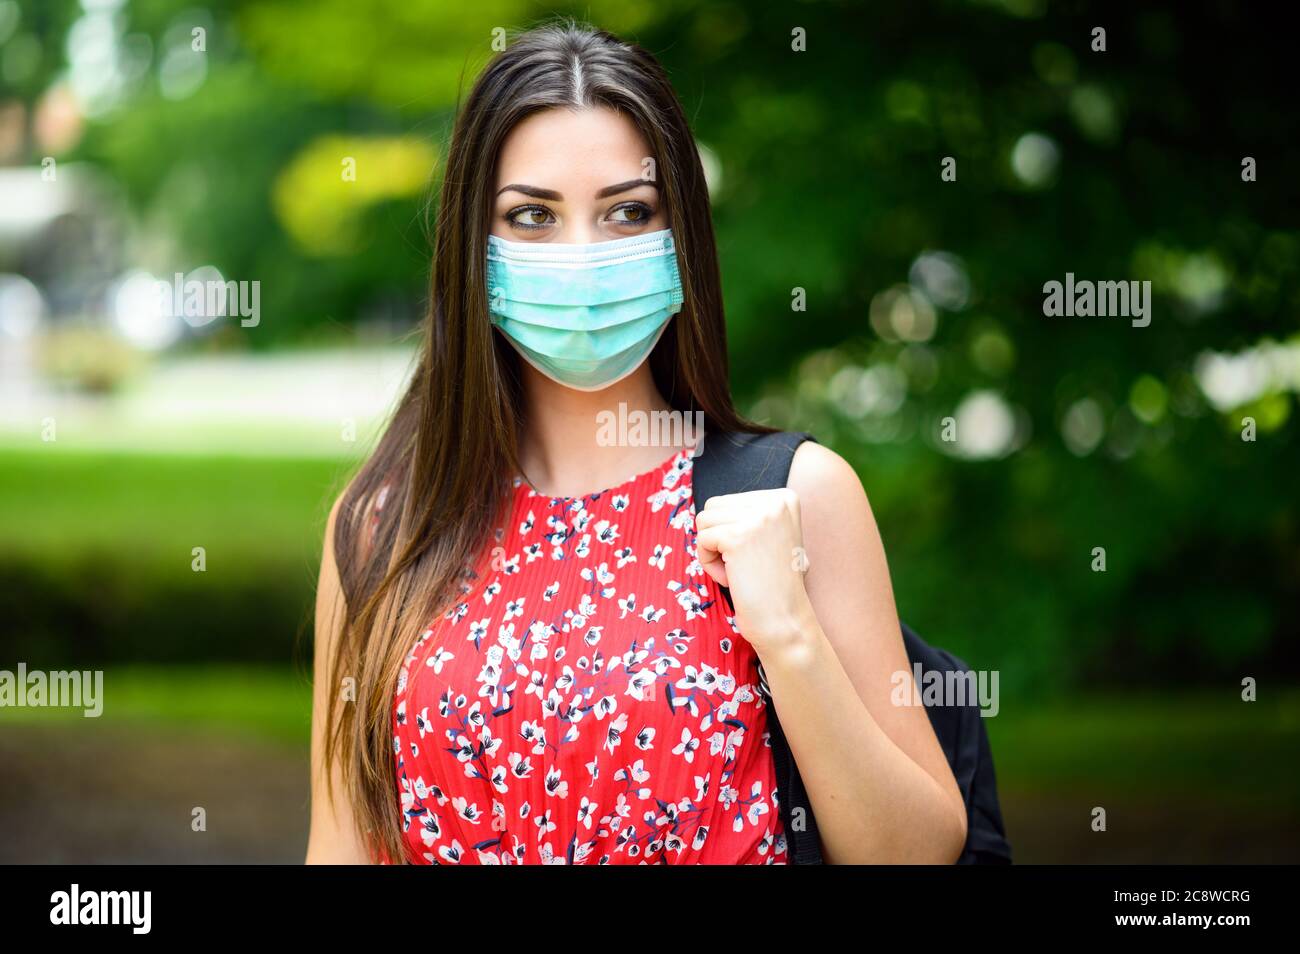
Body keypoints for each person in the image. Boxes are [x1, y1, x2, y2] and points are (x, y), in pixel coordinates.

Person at [306, 20, 966, 865]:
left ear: (679, 233)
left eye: (626, 211)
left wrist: (790, 637)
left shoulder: (795, 499)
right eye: (532, 216)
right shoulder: (382, 530)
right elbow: (338, 848)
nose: (582, 256)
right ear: (474, 249)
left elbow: (921, 854)